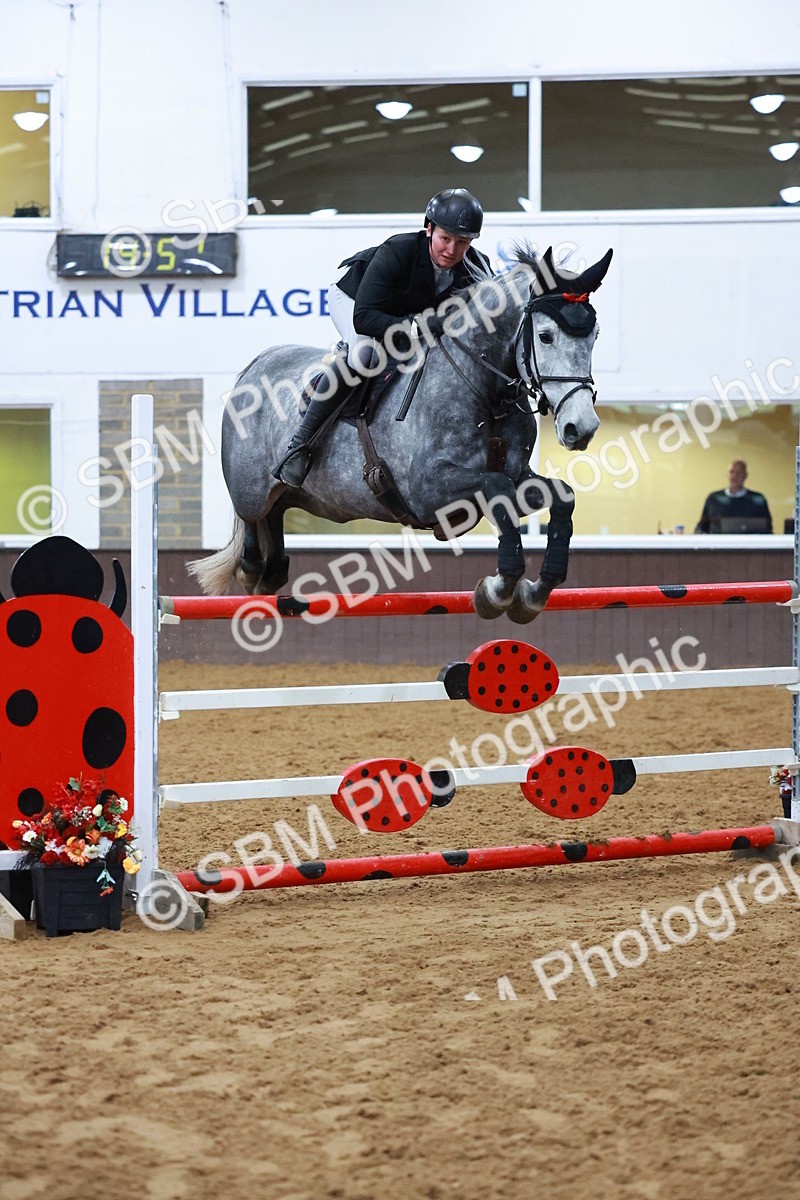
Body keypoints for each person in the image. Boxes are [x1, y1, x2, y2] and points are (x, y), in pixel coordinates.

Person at [274, 187, 491, 488]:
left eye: (463, 242)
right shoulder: (398, 250)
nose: (452, 251)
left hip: (406, 316)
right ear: (429, 229)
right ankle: (299, 447)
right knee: (363, 356)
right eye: (445, 238)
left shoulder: (476, 268)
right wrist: (414, 329)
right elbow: (364, 318)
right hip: (355, 301)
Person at [695, 460, 773, 533]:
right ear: (727, 475)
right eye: (731, 472)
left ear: (745, 476)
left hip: (749, 546)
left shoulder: (758, 500)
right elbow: (702, 527)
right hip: (719, 546)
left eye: (738, 472)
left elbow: (767, 528)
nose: (734, 476)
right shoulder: (714, 498)